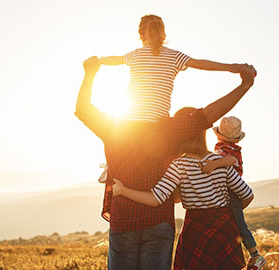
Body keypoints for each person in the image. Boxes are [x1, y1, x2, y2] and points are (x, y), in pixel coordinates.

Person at [75, 56, 256, 270]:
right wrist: (244, 85)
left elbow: (83, 109)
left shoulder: (113, 127)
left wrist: (90, 73)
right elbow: (210, 114)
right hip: (159, 221)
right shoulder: (172, 131)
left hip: (124, 220)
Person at [112, 107, 255, 269]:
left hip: (196, 230)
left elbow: (155, 199)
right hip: (225, 230)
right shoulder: (220, 162)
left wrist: (122, 190)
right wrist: (227, 215)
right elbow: (248, 195)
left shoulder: (179, 165)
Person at [98, 14, 244, 122]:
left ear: (141, 35)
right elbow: (201, 63)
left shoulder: (135, 55)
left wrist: (98, 61)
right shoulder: (174, 56)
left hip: (130, 121)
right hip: (158, 122)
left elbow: (114, 60)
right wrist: (231, 67)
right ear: (163, 34)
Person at [201, 116, 266, 269]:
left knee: (239, 223)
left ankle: (255, 255)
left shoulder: (225, 150)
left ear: (218, 134)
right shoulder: (230, 148)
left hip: (231, 190)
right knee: (234, 221)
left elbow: (230, 161)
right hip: (231, 190)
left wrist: (213, 164)